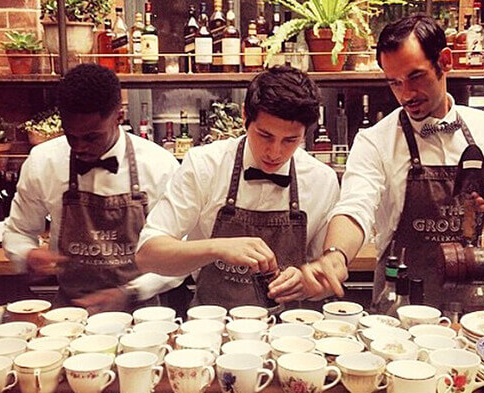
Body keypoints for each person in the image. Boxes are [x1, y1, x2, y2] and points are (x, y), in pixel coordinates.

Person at [300, 15, 484, 307]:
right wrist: (335, 255)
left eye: (415, 77)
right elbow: (356, 205)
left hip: (472, 299)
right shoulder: (375, 141)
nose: (406, 94)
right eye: (394, 83)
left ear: (445, 61)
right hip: (399, 301)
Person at [136, 66, 340, 310]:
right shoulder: (205, 164)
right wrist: (217, 248)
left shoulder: (322, 180)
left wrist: (307, 284)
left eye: (290, 140)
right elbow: (147, 255)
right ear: (245, 117)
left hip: (289, 332)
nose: (275, 153)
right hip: (212, 325)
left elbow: (325, 273)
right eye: (265, 135)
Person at [3, 64, 182, 313]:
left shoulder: (158, 165)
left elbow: (178, 252)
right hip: (70, 312)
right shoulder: (43, 161)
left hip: (143, 313)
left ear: (119, 117)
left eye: (92, 137)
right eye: (71, 136)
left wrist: (130, 292)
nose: (79, 147)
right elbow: (17, 231)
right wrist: (28, 255)